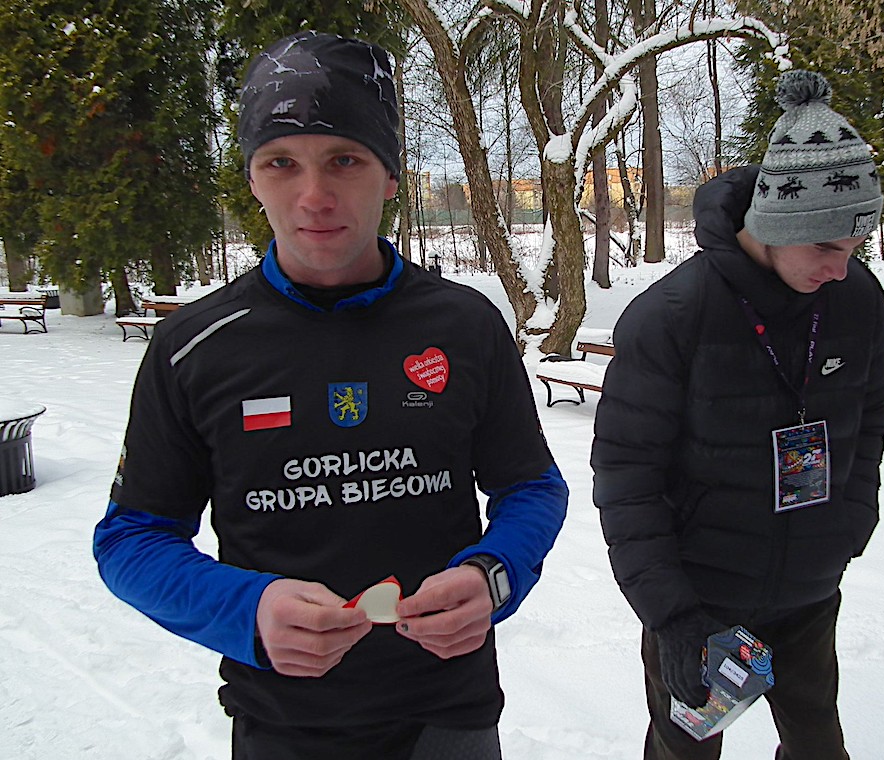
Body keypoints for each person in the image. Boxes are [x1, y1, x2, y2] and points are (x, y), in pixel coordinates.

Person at [94, 31, 568, 760]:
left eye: (345, 160)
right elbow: (131, 538)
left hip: (448, 713)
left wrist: (494, 574)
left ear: (390, 176)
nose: (313, 197)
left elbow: (531, 487)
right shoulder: (194, 346)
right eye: (281, 163)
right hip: (283, 724)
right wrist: (247, 609)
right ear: (253, 179)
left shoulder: (466, 326)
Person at [590, 70, 884, 760]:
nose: (841, 269)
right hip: (701, 601)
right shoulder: (674, 315)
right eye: (825, 246)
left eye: (854, 248)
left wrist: (849, 523)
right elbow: (626, 477)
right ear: (775, 225)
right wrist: (672, 616)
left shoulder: (856, 300)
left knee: (819, 745)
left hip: (809, 590)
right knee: (686, 751)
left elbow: (873, 419)